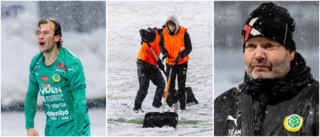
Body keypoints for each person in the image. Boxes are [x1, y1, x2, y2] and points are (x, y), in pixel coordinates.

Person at [214, 3, 319, 136]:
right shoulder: (224, 105)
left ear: (290, 53)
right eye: (251, 46)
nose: (258, 55)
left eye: (269, 45)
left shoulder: (315, 102)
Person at [25, 18, 90, 136]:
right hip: (52, 130)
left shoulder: (71, 63)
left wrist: (77, 133)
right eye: (38, 33)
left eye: (46, 33)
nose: (40, 36)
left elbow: (80, 101)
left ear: (57, 37)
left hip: (75, 128)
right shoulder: (36, 63)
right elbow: (31, 96)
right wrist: (30, 127)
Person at [159, 14, 192, 118]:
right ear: (167, 25)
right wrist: (164, 53)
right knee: (171, 86)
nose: (171, 28)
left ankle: (182, 109)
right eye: (170, 26)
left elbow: (189, 48)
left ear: (176, 25)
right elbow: (161, 45)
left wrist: (181, 56)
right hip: (170, 63)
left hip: (181, 63)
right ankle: (174, 104)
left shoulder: (184, 33)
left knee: (181, 86)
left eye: (173, 26)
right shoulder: (164, 33)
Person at [133, 28, 165, 113]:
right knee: (144, 87)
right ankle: (136, 108)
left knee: (161, 83)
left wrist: (159, 62)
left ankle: (156, 103)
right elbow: (144, 31)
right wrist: (144, 33)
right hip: (143, 63)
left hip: (152, 65)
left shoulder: (163, 40)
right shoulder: (154, 33)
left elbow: (154, 51)